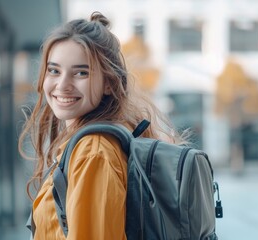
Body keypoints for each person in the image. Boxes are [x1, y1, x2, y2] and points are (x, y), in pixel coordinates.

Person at [18, 11, 187, 240]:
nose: (62, 85)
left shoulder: (93, 152)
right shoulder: (87, 143)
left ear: (109, 83)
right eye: (54, 70)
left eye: (81, 72)